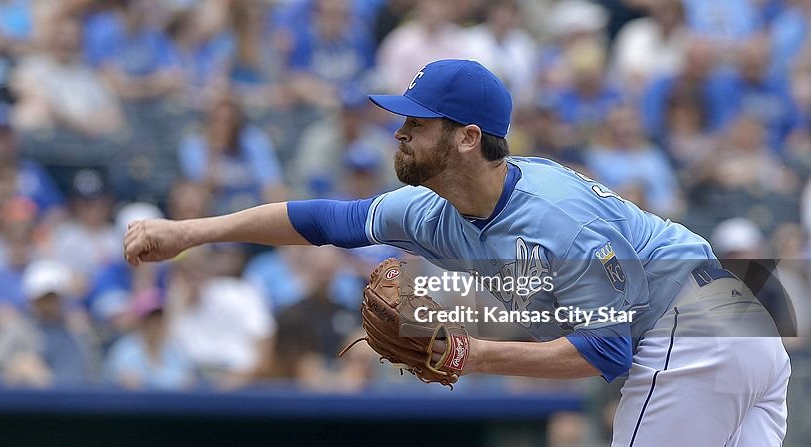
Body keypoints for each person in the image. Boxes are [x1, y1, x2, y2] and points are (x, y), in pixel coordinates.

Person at [123, 59, 790, 446]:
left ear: (467, 137)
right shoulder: (429, 207)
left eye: (417, 121)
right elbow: (325, 218)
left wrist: (473, 353)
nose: (401, 131)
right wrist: (190, 232)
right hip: (741, 327)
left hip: (698, 329)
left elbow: (606, 352)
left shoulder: (556, 216)